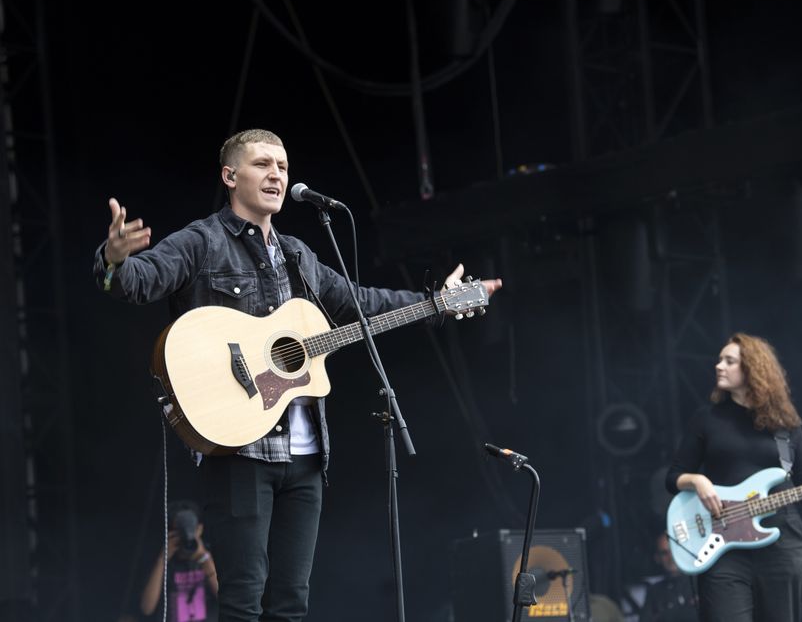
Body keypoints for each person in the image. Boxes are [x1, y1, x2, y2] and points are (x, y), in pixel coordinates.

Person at [93, 128, 502, 621]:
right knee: (242, 600)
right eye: (262, 164)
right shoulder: (202, 242)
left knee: (291, 603)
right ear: (230, 176)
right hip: (239, 450)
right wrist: (114, 260)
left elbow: (361, 302)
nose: (277, 175)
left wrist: (437, 304)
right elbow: (138, 282)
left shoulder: (298, 255)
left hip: (306, 455)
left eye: (283, 167)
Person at [664, 332, 802, 622]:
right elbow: (673, 477)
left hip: (782, 545)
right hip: (722, 547)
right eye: (719, 360)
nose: (718, 366)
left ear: (753, 368)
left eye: (729, 361)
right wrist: (697, 481)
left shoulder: (786, 424)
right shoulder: (707, 419)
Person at [140, 501, 219, 622]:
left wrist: (204, 558)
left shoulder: (213, 556)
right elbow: (147, 608)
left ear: (200, 529)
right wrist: (162, 560)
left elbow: (226, 599)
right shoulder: (163, 562)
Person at [638, 532, 697, 622]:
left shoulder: (700, 582)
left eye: (674, 550)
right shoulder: (654, 592)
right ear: (657, 558)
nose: (671, 557)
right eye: (665, 553)